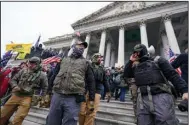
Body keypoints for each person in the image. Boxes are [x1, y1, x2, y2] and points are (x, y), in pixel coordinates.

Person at [124, 44, 188, 125]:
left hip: (161, 96)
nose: (137, 54)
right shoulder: (135, 66)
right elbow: (126, 75)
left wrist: (185, 90)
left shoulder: (158, 60)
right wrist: (130, 61)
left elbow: (172, 75)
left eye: (138, 52)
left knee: (166, 121)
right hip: (142, 99)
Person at [46, 40, 96, 125]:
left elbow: (91, 82)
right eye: (79, 45)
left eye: (83, 47)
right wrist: (48, 92)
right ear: (73, 46)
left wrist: (91, 99)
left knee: (70, 122)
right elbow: (54, 75)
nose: (81, 48)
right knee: (52, 121)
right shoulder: (62, 60)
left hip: (74, 98)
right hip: (57, 95)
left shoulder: (86, 63)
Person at [0, 56, 48, 125]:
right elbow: (13, 79)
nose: (30, 65)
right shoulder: (23, 70)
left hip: (28, 97)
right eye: (30, 63)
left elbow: (45, 87)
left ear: (37, 64)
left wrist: (40, 98)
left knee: (19, 118)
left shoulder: (42, 75)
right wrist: (15, 86)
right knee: (3, 114)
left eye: (33, 64)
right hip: (16, 95)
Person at [79, 53, 111, 125]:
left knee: (91, 112)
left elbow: (105, 81)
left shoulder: (102, 69)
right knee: (81, 111)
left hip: (97, 91)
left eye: (101, 57)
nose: (100, 59)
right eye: (98, 57)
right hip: (85, 90)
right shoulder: (87, 66)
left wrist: (108, 91)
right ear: (94, 58)